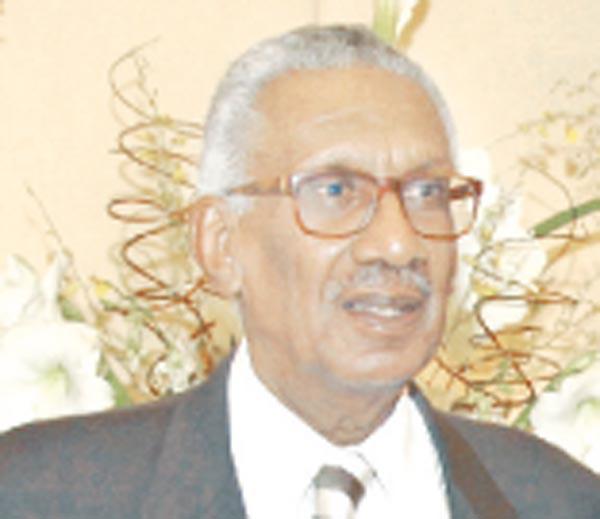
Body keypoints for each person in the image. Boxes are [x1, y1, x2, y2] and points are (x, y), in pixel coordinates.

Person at [1, 24, 599, 519]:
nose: (398, 243)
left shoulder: (561, 500)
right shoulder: (40, 494)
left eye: (427, 192)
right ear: (220, 244)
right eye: (336, 190)